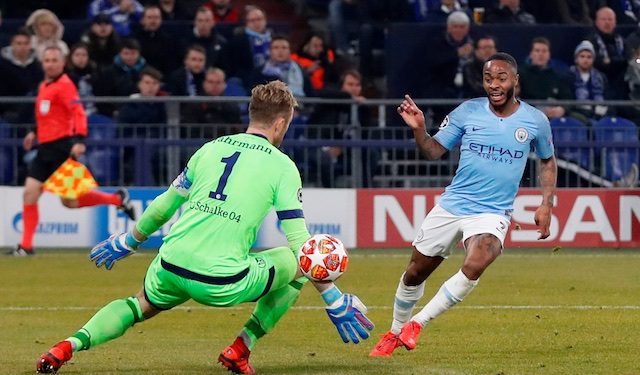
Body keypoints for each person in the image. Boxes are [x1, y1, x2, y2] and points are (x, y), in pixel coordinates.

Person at [35, 80, 374, 374]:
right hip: (221, 282)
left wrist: (128, 241)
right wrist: (332, 297)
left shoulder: (210, 149)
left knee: (138, 304)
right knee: (296, 263)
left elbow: (165, 204)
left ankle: (67, 346)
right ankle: (241, 348)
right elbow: (302, 244)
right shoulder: (283, 166)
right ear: (281, 123)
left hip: (170, 264)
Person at [369, 52, 557, 357]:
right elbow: (432, 152)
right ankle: (394, 331)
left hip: (492, 212)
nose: (494, 84)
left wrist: (546, 203)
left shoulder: (535, 121)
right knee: (415, 273)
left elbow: (547, 161)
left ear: (515, 81)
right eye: (488, 78)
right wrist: (419, 128)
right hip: (453, 205)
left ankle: (416, 324)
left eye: (501, 78)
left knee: (479, 260)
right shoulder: (467, 112)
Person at [11, 46, 135, 257]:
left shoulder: (66, 85)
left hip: (63, 148)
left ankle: (117, 199)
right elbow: (47, 115)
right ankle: (26, 246)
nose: (50, 64)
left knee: (70, 202)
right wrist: (34, 131)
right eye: (47, 60)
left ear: (62, 63)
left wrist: (79, 140)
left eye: (54, 60)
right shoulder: (44, 85)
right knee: (30, 193)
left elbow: (77, 113)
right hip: (45, 148)